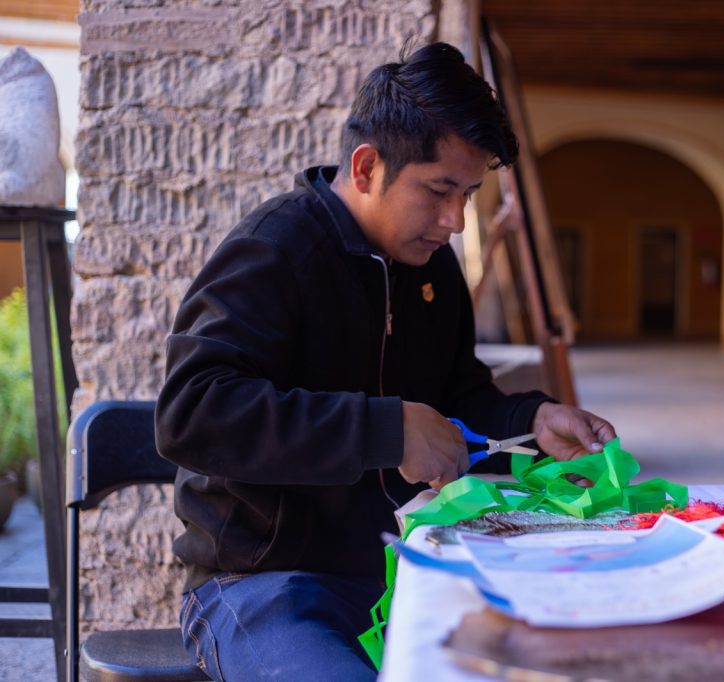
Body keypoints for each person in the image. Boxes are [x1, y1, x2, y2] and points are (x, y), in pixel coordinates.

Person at [155, 41, 617, 681]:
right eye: (439, 190)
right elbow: (191, 413)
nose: (456, 220)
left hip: (408, 564)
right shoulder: (275, 250)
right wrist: (386, 429)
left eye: (469, 194)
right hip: (263, 584)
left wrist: (533, 423)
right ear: (368, 166)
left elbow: (460, 399)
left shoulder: (434, 270)